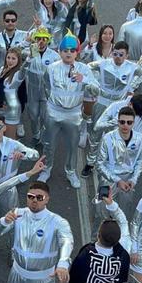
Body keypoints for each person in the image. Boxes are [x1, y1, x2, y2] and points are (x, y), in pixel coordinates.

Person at [39, 33, 100, 188]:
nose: (68, 53)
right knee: (49, 143)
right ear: (59, 51)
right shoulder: (51, 68)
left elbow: (96, 90)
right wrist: (52, 104)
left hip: (73, 114)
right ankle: (46, 169)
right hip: (53, 111)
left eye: (72, 50)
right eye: (65, 50)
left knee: (72, 145)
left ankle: (71, 171)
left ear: (77, 52)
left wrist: (84, 79)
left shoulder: (84, 69)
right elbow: (45, 87)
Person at [84, 41, 142, 178]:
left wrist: (132, 87)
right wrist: (94, 83)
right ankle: (90, 161)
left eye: (121, 55)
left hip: (119, 104)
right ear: (112, 53)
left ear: (127, 55)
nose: (118, 57)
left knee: (117, 133)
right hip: (102, 102)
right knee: (96, 132)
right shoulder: (104, 64)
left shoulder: (132, 67)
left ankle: (113, 161)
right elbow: (87, 68)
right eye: (115, 54)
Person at [95, 106, 142, 214]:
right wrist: (117, 180)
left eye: (129, 122)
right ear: (117, 122)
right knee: (101, 212)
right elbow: (99, 164)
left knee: (124, 211)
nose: (125, 125)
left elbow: (140, 160)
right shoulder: (107, 138)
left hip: (128, 180)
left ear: (133, 123)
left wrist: (133, 179)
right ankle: (97, 231)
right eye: (122, 122)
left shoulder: (139, 138)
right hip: (107, 180)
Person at [22, 27, 60, 146]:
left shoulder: (54, 56)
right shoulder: (28, 52)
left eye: (44, 39)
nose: (41, 41)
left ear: (48, 40)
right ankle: (36, 135)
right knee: (33, 115)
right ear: (34, 40)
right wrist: (27, 44)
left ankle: (44, 137)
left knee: (45, 116)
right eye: (38, 39)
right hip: (32, 90)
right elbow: (15, 51)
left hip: (46, 91)